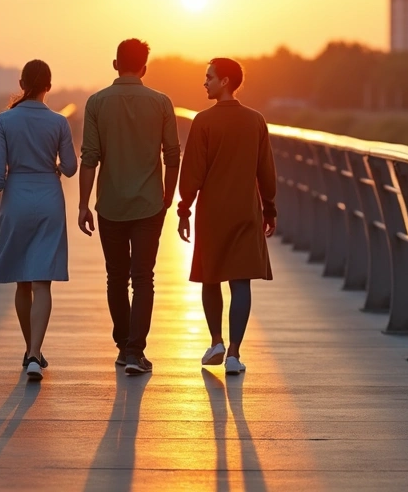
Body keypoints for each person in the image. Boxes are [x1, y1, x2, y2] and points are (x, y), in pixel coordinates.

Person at [78, 38, 181, 376]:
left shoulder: (95, 103)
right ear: (144, 67)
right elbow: (172, 154)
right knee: (143, 278)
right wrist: (169, 194)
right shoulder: (162, 103)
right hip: (150, 203)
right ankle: (136, 351)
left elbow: (89, 158)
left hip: (110, 204)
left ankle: (124, 347)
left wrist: (82, 204)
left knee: (116, 277)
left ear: (114, 64)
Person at [177, 58, 277, 376]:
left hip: (212, 211)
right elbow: (266, 171)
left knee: (210, 277)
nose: (204, 83)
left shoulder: (203, 122)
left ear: (225, 81)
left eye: (209, 77)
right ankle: (234, 353)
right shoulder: (255, 121)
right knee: (240, 280)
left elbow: (192, 171)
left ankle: (216, 341)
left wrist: (184, 208)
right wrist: (270, 207)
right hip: (246, 210)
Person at [0, 59, 78, 381]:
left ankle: (31, 352)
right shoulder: (59, 122)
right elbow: (70, 167)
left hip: (16, 198)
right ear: (48, 86)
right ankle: (35, 352)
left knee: (23, 281)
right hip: (49, 198)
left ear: (22, 84)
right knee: (43, 281)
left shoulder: (5, 120)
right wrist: (52, 165)